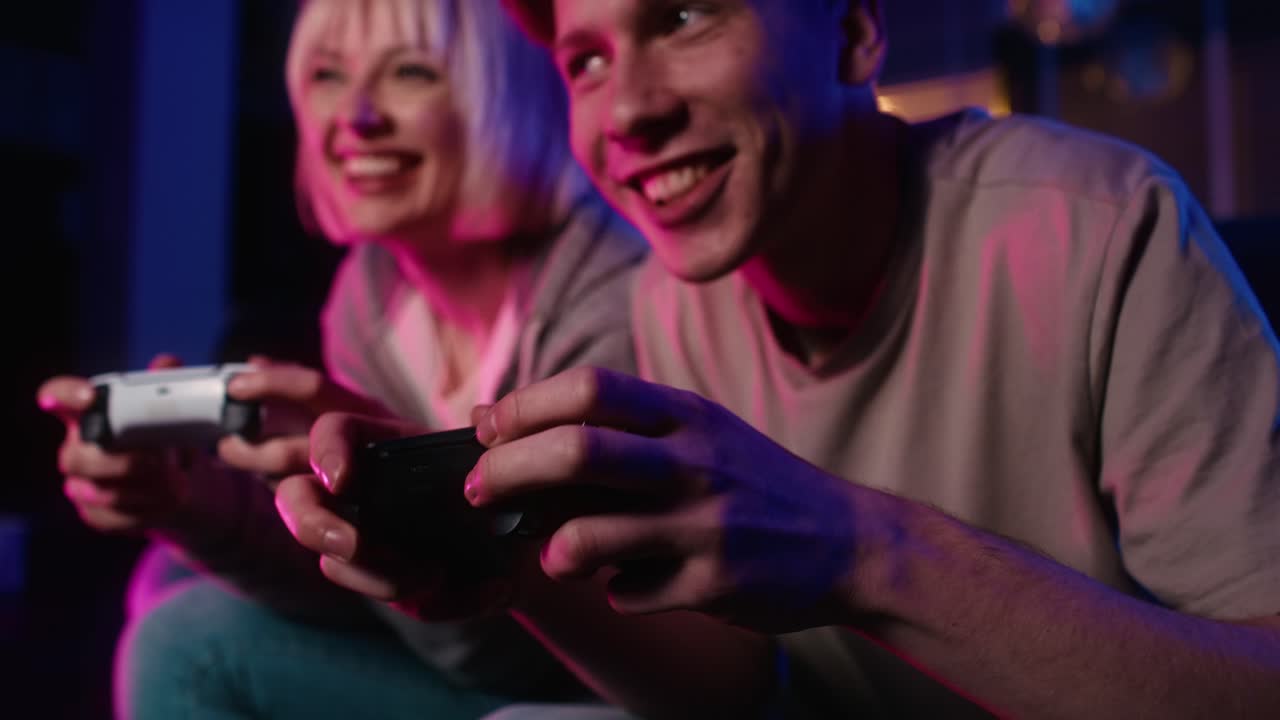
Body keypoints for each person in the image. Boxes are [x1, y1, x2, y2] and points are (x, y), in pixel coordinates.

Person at [277, 0, 1280, 716]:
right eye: (584, 61)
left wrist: (863, 549)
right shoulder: (666, 305)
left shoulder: (1097, 228)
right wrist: (509, 567)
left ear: (851, 30)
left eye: (681, 18)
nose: (626, 111)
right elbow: (743, 685)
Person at [36, 0, 646, 717]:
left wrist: (377, 495)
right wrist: (189, 503)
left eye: (411, 73)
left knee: (184, 639)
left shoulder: (612, 300)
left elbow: (516, 654)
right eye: (327, 76)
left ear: (504, 94)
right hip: (463, 660)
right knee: (165, 575)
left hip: (562, 683)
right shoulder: (371, 288)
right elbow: (358, 592)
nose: (353, 118)